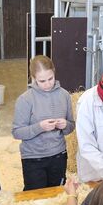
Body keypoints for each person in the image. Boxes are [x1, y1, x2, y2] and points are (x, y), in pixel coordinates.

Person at [12, 55, 75, 190]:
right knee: (36, 196)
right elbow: (17, 132)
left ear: (54, 72)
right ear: (33, 78)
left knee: (57, 193)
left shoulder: (64, 95)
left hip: (58, 154)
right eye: (42, 81)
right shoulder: (25, 99)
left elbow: (71, 126)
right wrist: (40, 127)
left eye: (50, 79)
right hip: (33, 158)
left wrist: (65, 125)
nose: (47, 84)